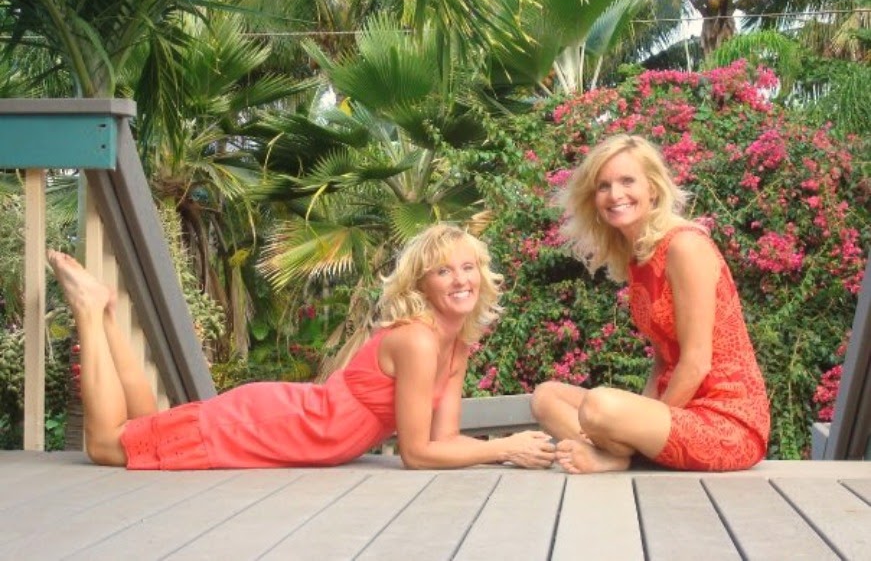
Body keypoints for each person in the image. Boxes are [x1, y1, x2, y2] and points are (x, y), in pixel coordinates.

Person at [49, 224, 556, 470]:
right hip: (278, 425)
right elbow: (418, 453)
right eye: (444, 270)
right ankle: (93, 315)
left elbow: (443, 442)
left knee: (144, 430)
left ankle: (109, 315)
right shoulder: (419, 341)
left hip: (290, 424)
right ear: (422, 284)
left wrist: (502, 452)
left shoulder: (456, 345)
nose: (460, 279)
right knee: (106, 447)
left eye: (468, 267)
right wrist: (505, 446)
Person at [531, 134, 770, 473]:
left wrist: (636, 423)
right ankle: (616, 456)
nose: (615, 195)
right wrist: (636, 417)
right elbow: (662, 360)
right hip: (676, 412)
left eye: (627, 181)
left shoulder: (685, 246)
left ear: (653, 188)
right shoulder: (639, 258)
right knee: (547, 398)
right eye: (603, 186)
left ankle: (619, 458)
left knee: (600, 406)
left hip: (725, 422)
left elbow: (695, 363)